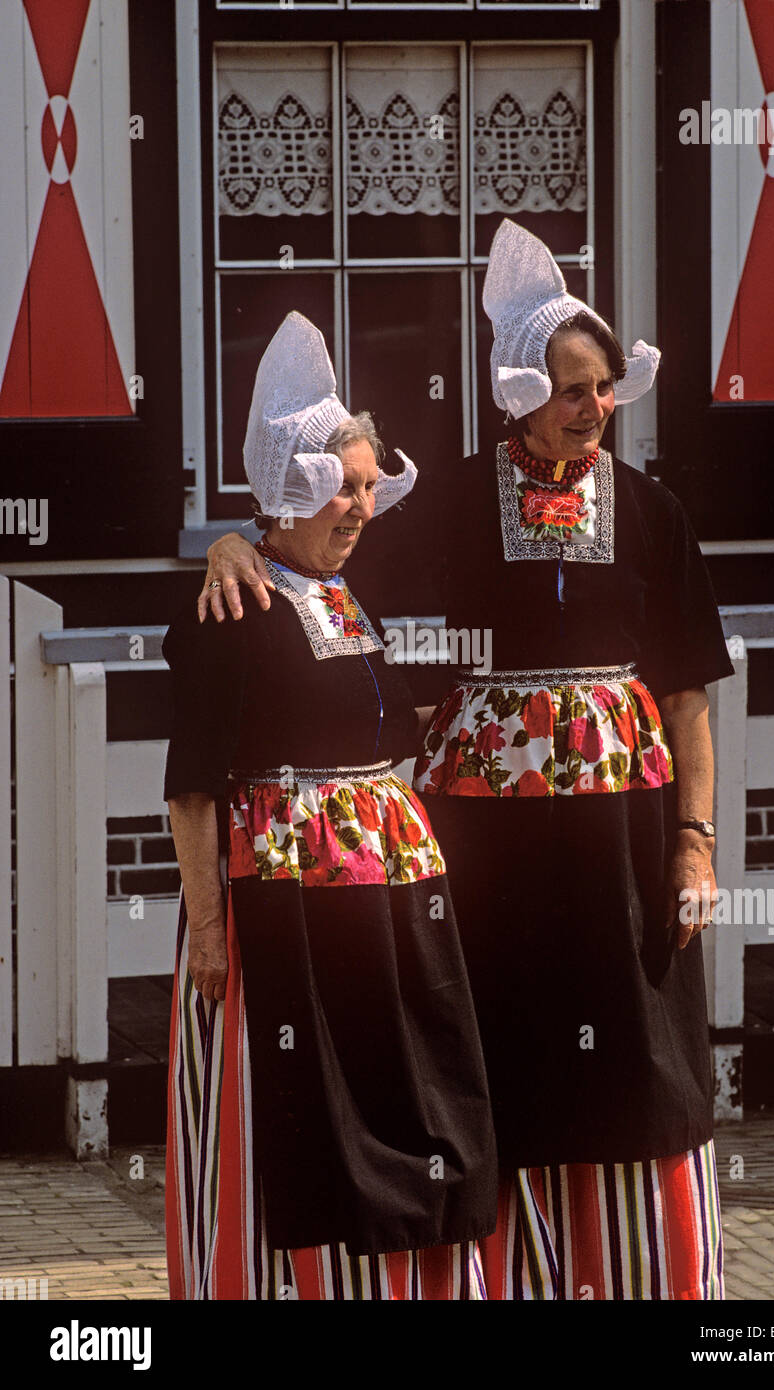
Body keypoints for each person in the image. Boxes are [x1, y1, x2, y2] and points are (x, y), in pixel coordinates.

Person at [199, 223, 735, 1300]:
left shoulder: (655, 512)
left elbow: (686, 694)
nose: (594, 409)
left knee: (638, 1061)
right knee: (498, 1054)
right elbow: (318, 551)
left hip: (626, 852)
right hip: (484, 856)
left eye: (604, 388)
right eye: (573, 389)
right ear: (520, 393)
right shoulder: (441, 502)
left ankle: (643, 1281)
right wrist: (231, 545)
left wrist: (696, 843)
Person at [163, 312, 497, 1300]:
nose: (359, 506)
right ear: (293, 486)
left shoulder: (341, 592)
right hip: (276, 918)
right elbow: (192, 781)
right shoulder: (235, 605)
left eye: (365, 487)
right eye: (342, 487)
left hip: (368, 910)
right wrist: (213, 933)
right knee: (286, 1109)